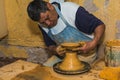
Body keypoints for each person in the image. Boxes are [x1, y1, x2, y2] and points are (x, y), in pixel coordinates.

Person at [27, 0, 105, 66]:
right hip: (63, 57)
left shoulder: (71, 10)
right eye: (43, 22)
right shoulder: (42, 24)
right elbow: (50, 45)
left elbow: (100, 25)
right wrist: (56, 49)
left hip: (85, 55)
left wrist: (94, 43)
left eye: (47, 18)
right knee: (44, 70)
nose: (48, 23)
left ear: (49, 6)